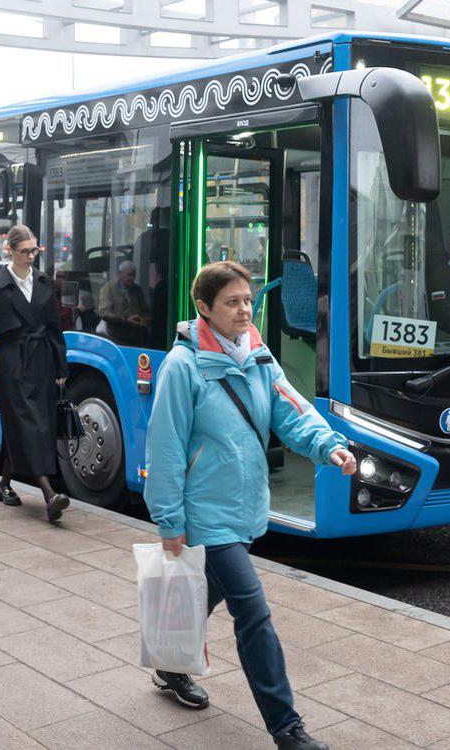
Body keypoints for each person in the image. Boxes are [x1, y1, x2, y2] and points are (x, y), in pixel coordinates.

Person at [143, 260, 357, 750]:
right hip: (204, 511)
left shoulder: (258, 355)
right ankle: (287, 728)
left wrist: (330, 446)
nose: (245, 310)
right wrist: (169, 520)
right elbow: (165, 448)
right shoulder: (183, 367)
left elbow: (293, 411)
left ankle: (170, 662)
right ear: (204, 308)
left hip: (244, 506)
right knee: (253, 613)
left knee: (207, 594)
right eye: (232, 302)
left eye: (248, 300)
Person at [0, 225, 71, 523]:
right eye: (25, 251)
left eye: (35, 250)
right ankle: (49, 495)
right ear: (10, 250)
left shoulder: (44, 282)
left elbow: (55, 329)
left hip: (43, 360)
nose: (32, 256)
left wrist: (61, 367)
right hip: (11, 364)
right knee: (26, 423)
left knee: (34, 424)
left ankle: (4, 483)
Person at [98, 260, 151, 346]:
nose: (132, 278)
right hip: (115, 337)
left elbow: (145, 310)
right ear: (120, 274)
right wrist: (124, 320)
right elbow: (104, 312)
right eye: (129, 275)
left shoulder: (137, 290)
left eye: (134, 275)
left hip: (135, 337)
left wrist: (144, 320)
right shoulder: (108, 288)